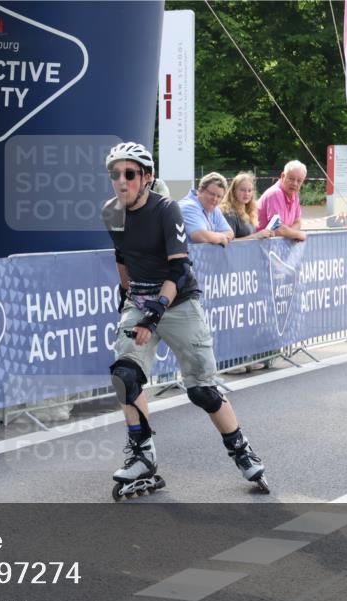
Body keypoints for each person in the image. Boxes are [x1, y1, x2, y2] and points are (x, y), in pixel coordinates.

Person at [102, 142, 269, 499]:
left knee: (202, 390)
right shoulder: (111, 211)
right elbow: (122, 256)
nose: (121, 181)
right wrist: (127, 297)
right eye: (115, 174)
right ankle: (142, 453)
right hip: (141, 299)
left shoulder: (166, 211)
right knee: (124, 375)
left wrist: (155, 313)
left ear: (146, 178)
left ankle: (241, 450)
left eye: (129, 174)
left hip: (177, 303)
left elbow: (179, 270)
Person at [221, 172, 274, 374]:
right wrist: (257, 236)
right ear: (233, 190)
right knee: (233, 317)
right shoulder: (229, 213)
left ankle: (246, 356)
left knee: (246, 317)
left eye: (250, 190)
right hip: (232, 271)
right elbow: (230, 243)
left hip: (247, 273)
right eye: (242, 190)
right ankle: (230, 361)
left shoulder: (248, 211)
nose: (246, 193)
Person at [178, 172, 235, 246]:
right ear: (201, 190)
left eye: (219, 196)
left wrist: (211, 237)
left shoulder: (214, 208)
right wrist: (221, 238)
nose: (215, 199)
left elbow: (230, 233)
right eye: (212, 194)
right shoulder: (188, 207)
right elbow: (199, 236)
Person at [257, 160, 308, 242]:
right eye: (291, 179)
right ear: (283, 176)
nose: (295, 183)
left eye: (299, 181)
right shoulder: (275, 193)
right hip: (260, 246)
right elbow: (276, 227)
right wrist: (298, 234)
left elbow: (298, 222)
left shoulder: (295, 194)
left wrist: (289, 233)